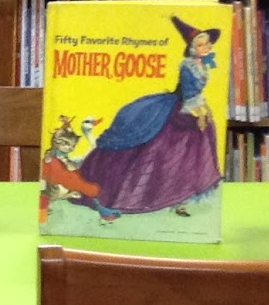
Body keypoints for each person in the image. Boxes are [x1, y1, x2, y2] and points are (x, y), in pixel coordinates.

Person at [71, 15, 222, 221]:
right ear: (192, 48)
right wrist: (200, 114)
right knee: (164, 149)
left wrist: (205, 110)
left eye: (207, 43)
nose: (205, 47)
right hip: (182, 108)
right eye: (200, 44)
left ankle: (182, 198)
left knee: (189, 153)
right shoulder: (187, 66)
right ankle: (158, 195)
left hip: (193, 106)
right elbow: (188, 95)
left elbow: (198, 93)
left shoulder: (203, 64)